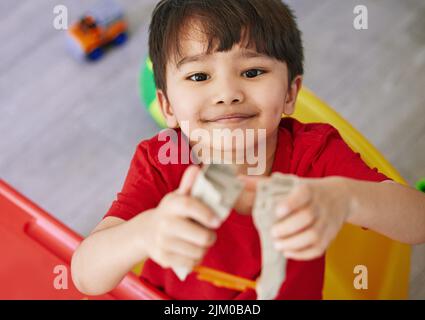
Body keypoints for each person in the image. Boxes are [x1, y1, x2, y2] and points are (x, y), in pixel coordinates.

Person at [71, 0, 425, 299]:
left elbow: (418, 222)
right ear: (167, 108)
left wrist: (347, 198)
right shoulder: (162, 160)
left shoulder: (312, 153)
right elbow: (86, 274)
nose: (227, 93)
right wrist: (144, 232)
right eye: (199, 76)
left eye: (253, 71)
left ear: (290, 92)